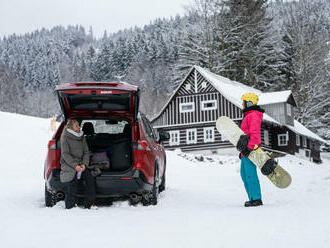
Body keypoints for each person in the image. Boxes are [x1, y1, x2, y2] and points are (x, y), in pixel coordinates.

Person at [60, 119, 96, 209]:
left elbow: (86, 152)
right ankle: (70, 205)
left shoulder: (81, 136)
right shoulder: (65, 137)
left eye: (79, 125)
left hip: (81, 164)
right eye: (77, 126)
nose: (79, 127)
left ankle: (89, 204)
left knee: (90, 178)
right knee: (72, 179)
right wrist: (75, 166)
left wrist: (84, 164)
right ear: (71, 127)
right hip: (69, 164)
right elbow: (65, 154)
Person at [236, 93, 264, 207]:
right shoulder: (248, 115)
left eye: (244, 102)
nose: (242, 104)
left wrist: (249, 148)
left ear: (249, 103)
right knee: (244, 174)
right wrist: (243, 151)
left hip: (251, 150)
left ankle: (256, 199)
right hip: (246, 151)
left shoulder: (253, 115)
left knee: (250, 174)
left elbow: (255, 135)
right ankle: (252, 198)